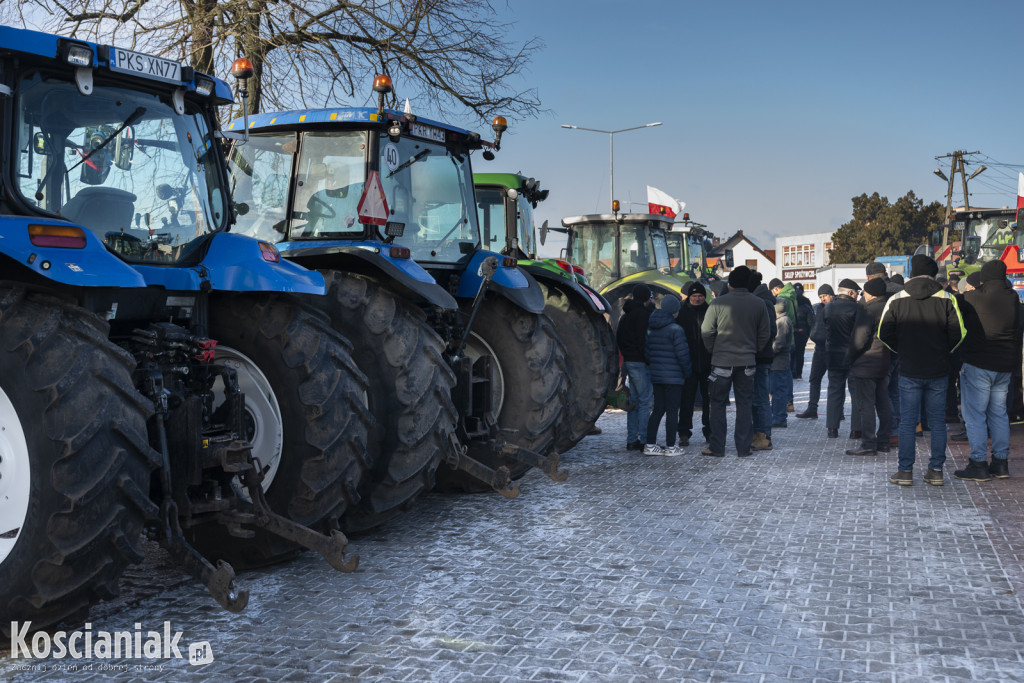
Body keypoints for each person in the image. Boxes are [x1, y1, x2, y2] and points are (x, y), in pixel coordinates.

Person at [878, 254, 965, 486]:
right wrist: (943, 352)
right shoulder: (947, 298)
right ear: (934, 274)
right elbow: (959, 334)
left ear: (911, 273)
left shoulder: (896, 299)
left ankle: (905, 472)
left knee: (907, 422)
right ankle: (935, 470)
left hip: (909, 369)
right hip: (938, 369)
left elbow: (883, 333)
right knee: (937, 422)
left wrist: (902, 350)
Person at [954, 261, 1021, 481]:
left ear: (984, 278)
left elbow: (955, 305)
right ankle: (1000, 464)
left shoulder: (973, 298)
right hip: (1004, 366)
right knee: (999, 414)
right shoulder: (1012, 298)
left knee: (975, 416)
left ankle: (979, 464)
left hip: (978, 364)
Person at [700, 266, 771, 458]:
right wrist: (754, 350)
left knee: (717, 404)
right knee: (745, 405)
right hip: (747, 362)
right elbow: (765, 333)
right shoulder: (758, 303)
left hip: (721, 362)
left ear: (729, 283)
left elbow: (706, 331)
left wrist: (714, 350)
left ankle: (717, 447)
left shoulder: (717, 303)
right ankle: (743, 447)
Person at [845, 278, 892, 455]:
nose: (863, 294)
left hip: (866, 362)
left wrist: (850, 358)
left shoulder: (868, 310)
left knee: (866, 404)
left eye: (864, 291)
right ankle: (884, 441)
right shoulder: (889, 308)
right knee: (883, 401)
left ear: (870, 292)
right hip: (883, 360)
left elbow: (859, 339)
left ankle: (868, 443)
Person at [643, 296, 692, 455]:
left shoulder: (651, 327)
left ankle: (650, 445)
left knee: (657, 410)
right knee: (672, 411)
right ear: (675, 311)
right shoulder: (675, 329)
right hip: (674, 377)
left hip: (657, 376)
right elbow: (683, 355)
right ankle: (671, 446)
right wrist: (687, 372)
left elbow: (648, 354)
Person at [616, 284, 655, 451]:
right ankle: (646, 440)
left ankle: (632, 439)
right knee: (645, 401)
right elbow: (643, 341)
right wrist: (648, 359)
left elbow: (619, 337)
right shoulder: (643, 316)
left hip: (629, 361)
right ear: (646, 298)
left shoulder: (626, 314)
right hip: (640, 362)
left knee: (634, 401)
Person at [823, 279, 861, 439]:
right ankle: (856, 429)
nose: (858, 296)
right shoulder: (857, 308)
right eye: (857, 293)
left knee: (834, 391)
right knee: (856, 393)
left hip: (833, 354)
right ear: (851, 293)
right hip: (853, 357)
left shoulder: (828, 307)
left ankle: (832, 428)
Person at [676, 281, 711, 445]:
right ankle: (684, 432)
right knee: (686, 400)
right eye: (694, 296)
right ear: (689, 297)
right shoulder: (681, 313)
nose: (697, 299)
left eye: (700, 296)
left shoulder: (710, 311)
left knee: (708, 400)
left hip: (707, 363)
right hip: (688, 363)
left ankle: (709, 432)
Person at [748, 271, 778, 450]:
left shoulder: (763, 303)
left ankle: (764, 436)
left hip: (760, 356)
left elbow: (770, 331)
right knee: (756, 397)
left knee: (760, 397)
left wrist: (756, 344)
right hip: (760, 355)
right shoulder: (762, 300)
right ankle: (758, 434)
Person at [796, 284, 834, 419]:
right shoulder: (817, 308)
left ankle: (837, 410)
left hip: (833, 350)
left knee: (834, 381)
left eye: (825, 296)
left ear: (832, 295)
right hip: (819, 349)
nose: (823, 299)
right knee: (814, 379)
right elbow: (812, 325)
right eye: (820, 297)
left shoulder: (836, 308)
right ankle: (812, 408)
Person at [770, 301, 793, 428]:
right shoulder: (781, 320)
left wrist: (769, 353)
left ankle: (779, 418)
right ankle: (777, 416)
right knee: (775, 390)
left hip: (779, 362)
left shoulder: (782, 321)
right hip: (777, 362)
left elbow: (779, 343)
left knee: (778, 390)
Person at [791, 283, 815, 379]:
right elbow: (811, 320)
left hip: (792, 332)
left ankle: (792, 371)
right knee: (800, 353)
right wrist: (808, 333)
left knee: (792, 353)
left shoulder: (790, 301)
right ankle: (798, 373)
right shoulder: (806, 302)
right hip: (803, 332)